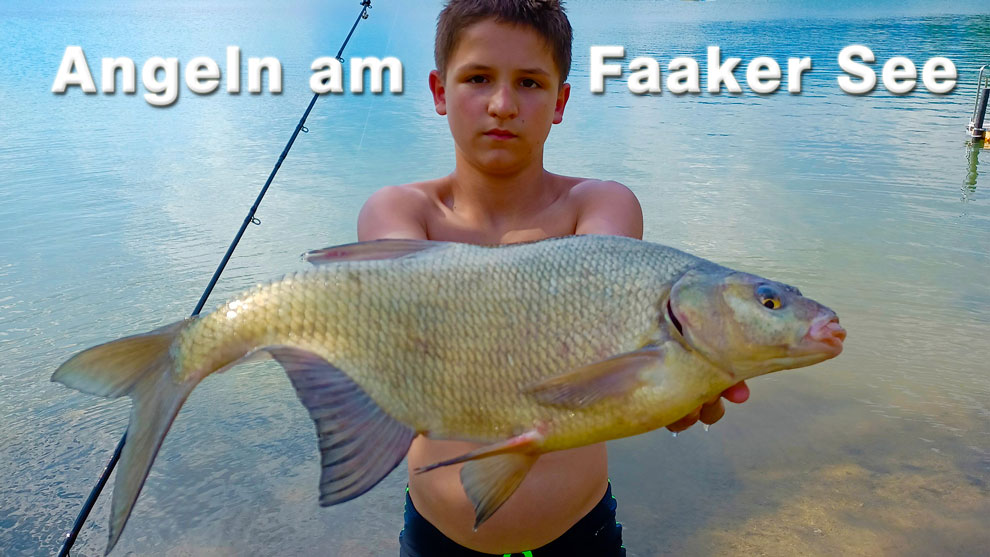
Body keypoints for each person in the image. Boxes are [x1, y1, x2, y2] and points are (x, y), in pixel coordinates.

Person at [357, 1, 749, 555]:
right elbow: (417, 326)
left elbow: (605, 293)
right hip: (436, 538)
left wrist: (683, 375)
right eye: (477, 78)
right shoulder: (398, 211)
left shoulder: (602, 203)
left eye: (530, 83)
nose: (502, 104)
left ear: (560, 100)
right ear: (440, 91)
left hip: (580, 533)